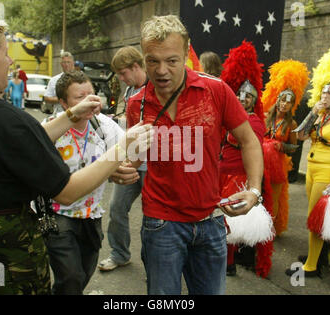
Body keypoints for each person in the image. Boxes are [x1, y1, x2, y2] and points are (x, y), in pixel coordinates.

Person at [0, 10, 152, 295]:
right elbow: (68, 191)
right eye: (4, 53)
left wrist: (72, 114)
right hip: (2, 245)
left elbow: (18, 143)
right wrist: (121, 148)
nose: (11, 61)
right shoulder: (7, 120)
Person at [126, 15, 264, 295]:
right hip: (161, 223)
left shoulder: (216, 91)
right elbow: (134, 160)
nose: (161, 70)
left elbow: (249, 141)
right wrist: (122, 169)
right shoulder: (137, 105)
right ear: (144, 58)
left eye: (172, 60)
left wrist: (254, 190)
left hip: (210, 219)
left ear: (185, 56)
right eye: (153, 60)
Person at [41, 70, 125, 294]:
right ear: (63, 102)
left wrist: (119, 169)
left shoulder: (104, 127)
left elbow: (130, 151)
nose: (89, 101)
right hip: (58, 215)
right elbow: (28, 149)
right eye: (80, 97)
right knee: (70, 278)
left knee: (83, 274)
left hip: (91, 216)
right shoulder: (50, 127)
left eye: (92, 94)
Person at [286, 44, 330, 277]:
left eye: (329, 93)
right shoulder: (320, 115)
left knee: (314, 217)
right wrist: (312, 112)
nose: (325, 96)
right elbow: (299, 135)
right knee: (315, 215)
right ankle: (316, 256)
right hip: (312, 169)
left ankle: (311, 266)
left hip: (327, 172)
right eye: (323, 93)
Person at [219, 40, 273, 278]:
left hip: (237, 177)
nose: (242, 99)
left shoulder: (254, 122)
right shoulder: (232, 116)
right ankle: (224, 261)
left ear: (254, 100)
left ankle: (228, 264)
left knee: (230, 223)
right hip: (221, 174)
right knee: (220, 220)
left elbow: (253, 150)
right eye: (239, 95)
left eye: (248, 97)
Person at [98, 46, 148, 271]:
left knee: (154, 218)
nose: (121, 78)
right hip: (131, 160)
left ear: (136, 67)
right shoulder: (129, 90)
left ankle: (155, 265)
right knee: (117, 207)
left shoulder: (158, 87)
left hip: (152, 164)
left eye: (123, 73)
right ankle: (120, 254)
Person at [262, 60, 309, 236]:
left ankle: (268, 230)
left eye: (288, 103)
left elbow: (294, 148)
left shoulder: (292, 123)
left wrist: (282, 146)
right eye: (282, 100)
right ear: (278, 100)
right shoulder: (266, 117)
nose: (284, 104)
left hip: (278, 166)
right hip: (261, 163)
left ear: (291, 105)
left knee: (273, 199)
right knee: (258, 195)